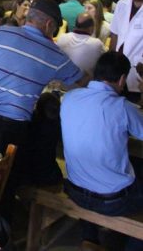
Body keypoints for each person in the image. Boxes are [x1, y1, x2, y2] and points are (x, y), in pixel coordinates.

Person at [0, 0, 85, 211]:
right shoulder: (55, 54)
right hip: (10, 129)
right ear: (49, 24)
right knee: (2, 189)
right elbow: (84, 81)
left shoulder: (0, 32)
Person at [61, 51, 143, 250]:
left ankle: (89, 238)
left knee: (93, 168)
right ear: (122, 79)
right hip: (112, 202)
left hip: (74, 190)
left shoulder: (69, 98)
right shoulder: (123, 107)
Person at [110, 0, 143, 102]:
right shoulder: (122, 4)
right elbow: (115, 34)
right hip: (118, 74)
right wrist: (111, 63)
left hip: (139, 76)